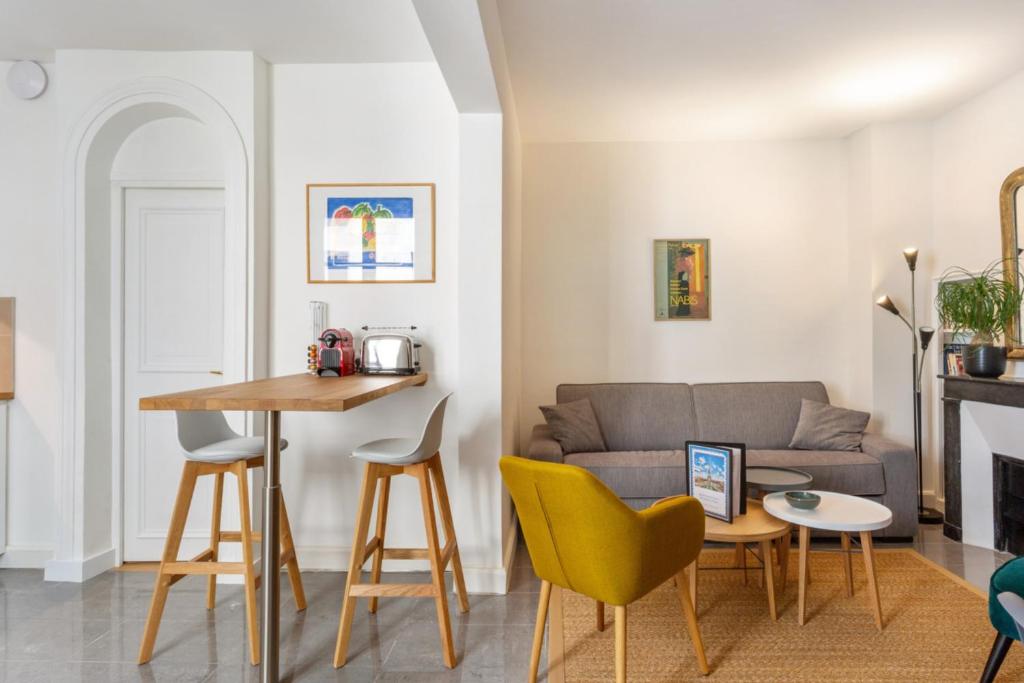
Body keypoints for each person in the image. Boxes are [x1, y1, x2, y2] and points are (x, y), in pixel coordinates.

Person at [673, 246, 695, 317]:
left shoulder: (689, 260)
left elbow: (691, 269)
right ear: (683, 253)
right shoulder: (678, 260)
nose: (687, 255)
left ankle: (686, 311)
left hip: (685, 276)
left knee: (685, 293)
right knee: (681, 293)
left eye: (688, 254)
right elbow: (677, 268)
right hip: (681, 276)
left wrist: (689, 276)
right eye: (686, 253)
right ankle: (681, 310)